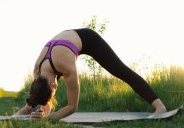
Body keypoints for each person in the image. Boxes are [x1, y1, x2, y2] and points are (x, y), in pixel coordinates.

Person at [16, 28, 167, 120]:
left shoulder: (66, 68)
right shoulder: (38, 70)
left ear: (53, 84)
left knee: (121, 71)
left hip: (88, 39)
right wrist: (42, 111)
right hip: (62, 43)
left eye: (54, 89)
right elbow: (43, 96)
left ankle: (159, 106)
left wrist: (48, 119)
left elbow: (72, 107)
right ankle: (27, 109)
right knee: (39, 97)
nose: (56, 86)